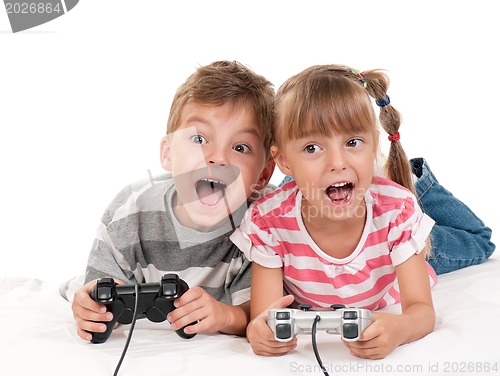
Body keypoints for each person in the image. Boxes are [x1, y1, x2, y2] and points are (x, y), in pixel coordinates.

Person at [230, 64, 495, 359]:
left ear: (373, 147)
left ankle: (418, 179)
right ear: (282, 161)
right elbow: (264, 316)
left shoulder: (396, 212)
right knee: (311, 186)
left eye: (352, 142)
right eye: (312, 147)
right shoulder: (268, 223)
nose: (338, 161)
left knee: (479, 241)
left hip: (389, 257)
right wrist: (259, 332)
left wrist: (400, 329)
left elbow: (421, 312)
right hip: (316, 195)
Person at [69, 60, 276, 341]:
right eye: (199, 138)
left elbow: (261, 315)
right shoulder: (132, 212)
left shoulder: (265, 222)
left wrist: (224, 315)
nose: (218, 158)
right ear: (168, 153)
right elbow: (100, 290)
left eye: (240, 147)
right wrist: (94, 309)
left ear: (263, 174)